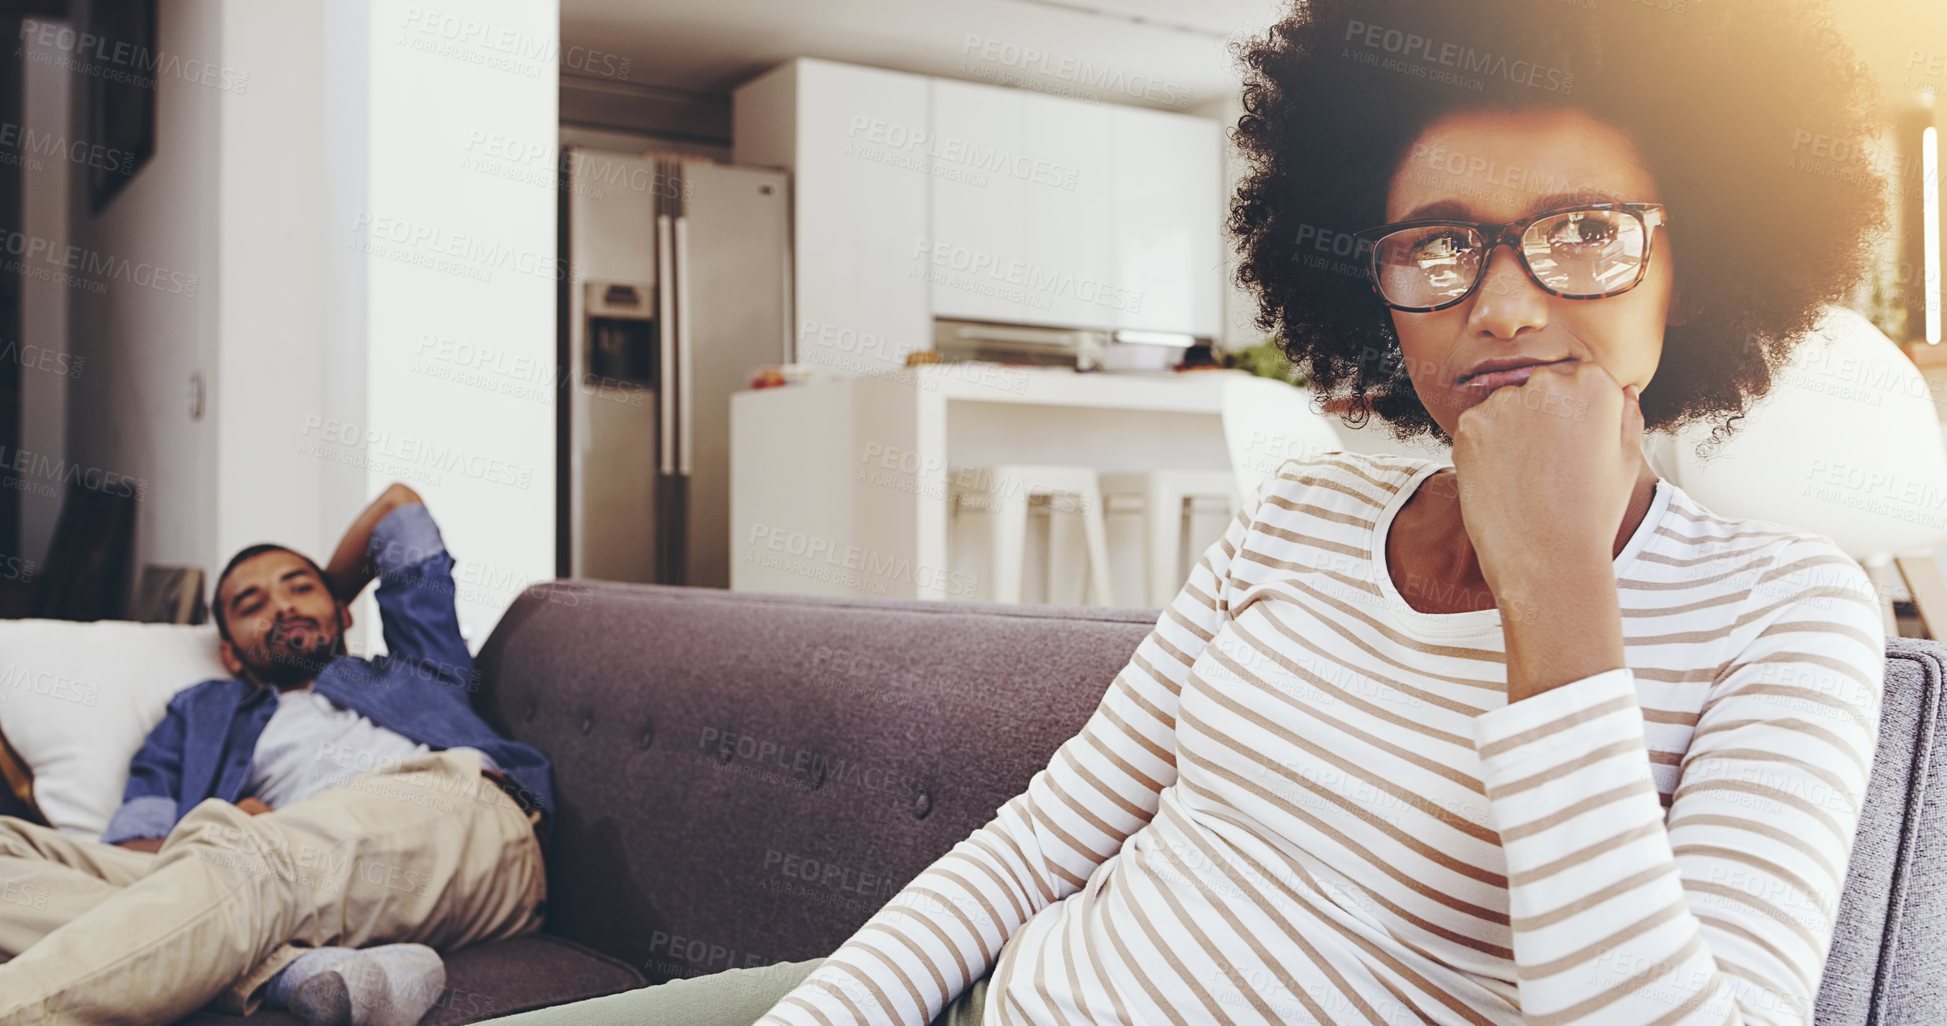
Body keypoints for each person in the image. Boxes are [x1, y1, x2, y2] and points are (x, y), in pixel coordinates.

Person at [483, 0, 1891, 1023]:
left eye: (1583, 229)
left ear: (1687, 268)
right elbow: (1040, 842)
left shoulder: (1789, 612)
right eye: (1439, 243)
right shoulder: (1299, 514)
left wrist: (1555, 594)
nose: (1503, 298)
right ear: (1367, 281)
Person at [0, 483, 553, 1026]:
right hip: (269, 872)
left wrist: (328, 600)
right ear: (229, 653)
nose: (282, 606)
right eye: (252, 604)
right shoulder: (199, 713)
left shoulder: (417, 670)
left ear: (343, 612)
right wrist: (225, 827)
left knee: (242, 855)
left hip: (460, 813)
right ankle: (290, 970)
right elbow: (137, 848)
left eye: (299, 588)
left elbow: (398, 507)